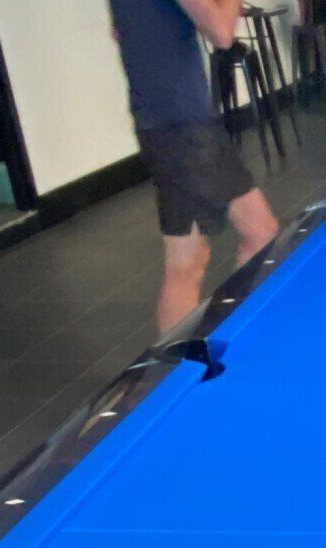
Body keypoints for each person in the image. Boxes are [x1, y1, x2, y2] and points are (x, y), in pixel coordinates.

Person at [109, 0, 279, 333]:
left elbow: (119, 31)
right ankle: (184, 356)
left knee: (250, 236)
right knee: (191, 260)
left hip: (166, 120)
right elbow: (221, 33)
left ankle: (225, 337)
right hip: (181, 125)